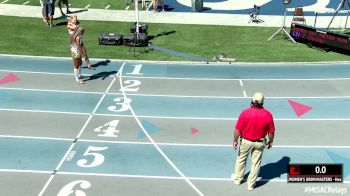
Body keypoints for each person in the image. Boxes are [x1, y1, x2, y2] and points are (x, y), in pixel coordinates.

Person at [232, 92, 275, 191]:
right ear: (262, 102)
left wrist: (235, 140)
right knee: (255, 163)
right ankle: (251, 185)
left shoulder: (245, 113)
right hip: (260, 143)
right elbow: (271, 132)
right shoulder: (268, 115)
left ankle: (238, 179)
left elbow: (238, 130)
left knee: (241, 159)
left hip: (246, 141)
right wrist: (270, 141)